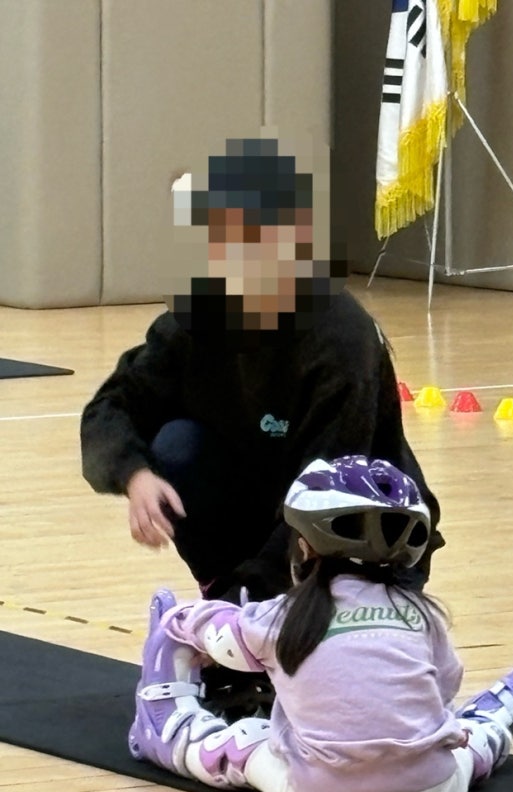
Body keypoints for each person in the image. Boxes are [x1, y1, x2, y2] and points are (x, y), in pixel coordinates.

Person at [80, 134, 443, 716]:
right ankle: (238, 623)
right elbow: (112, 406)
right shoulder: (197, 320)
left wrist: (240, 611)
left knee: (339, 671)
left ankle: (266, 630)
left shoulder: (340, 340)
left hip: (361, 532)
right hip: (257, 509)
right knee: (175, 448)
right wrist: (133, 475)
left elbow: (325, 498)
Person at [128, 455, 513, 792]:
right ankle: (498, 723)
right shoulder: (422, 614)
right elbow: (445, 689)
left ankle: (171, 733)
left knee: (249, 741)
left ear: (303, 546)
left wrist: (179, 620)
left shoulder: (284, 617)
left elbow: (223, 639)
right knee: (459, 746)